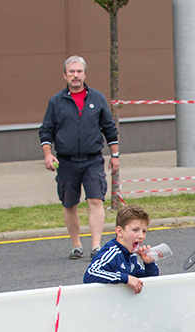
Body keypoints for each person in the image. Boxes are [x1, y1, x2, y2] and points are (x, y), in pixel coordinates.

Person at [39, 55, 120, 260]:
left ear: (85, 74)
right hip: (66, 162)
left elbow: (109, 129)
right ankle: (76, 245)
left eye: (79, 72)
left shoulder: (97, 99)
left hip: (92, 160)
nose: (76, 76)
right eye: (72, 72)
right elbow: (46, 130)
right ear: (65, 75)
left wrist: (115, 155)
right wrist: (48, 155)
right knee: (69, 204)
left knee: (96, 200)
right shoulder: (56, 102)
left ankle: (96, 246)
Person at [83, 205, 159, 294]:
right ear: (119, 232)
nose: (141, 236)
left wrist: (149, 263)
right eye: (135, 230)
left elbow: (148, 281)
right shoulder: (112, 252)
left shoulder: (131, 255)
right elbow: (90, 274)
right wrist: (124, 278)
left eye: (144, 231)